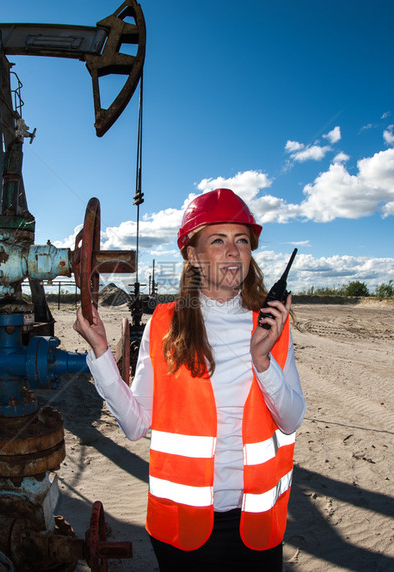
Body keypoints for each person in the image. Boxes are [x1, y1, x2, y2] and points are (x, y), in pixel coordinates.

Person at [74, 188, 305, 571]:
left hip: (257, 524)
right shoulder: (165, 324)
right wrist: (101, 354)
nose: (234, 251)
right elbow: (136, 425)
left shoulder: (270, 325)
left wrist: (262, 361)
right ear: (194, 256)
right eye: (218, 240)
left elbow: (291, 419)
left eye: (242, 241)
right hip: (182, 529)